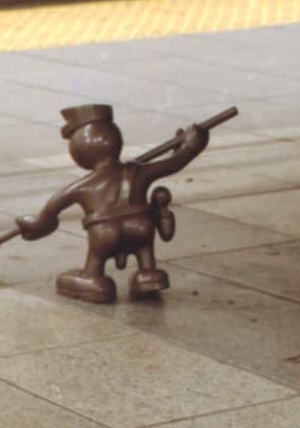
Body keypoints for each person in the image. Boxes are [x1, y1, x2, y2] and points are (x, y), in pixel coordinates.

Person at [14, 102, 210, 302]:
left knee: (96, 258)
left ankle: (95, 281)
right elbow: (174, 164)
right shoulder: (138, 171)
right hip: (140, 228)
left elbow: (50, 211)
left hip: (105, 235)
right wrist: (190, 147)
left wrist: (34, 225)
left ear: (79, 152)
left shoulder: (82, 186)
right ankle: (148, 273)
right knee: (144, 248)